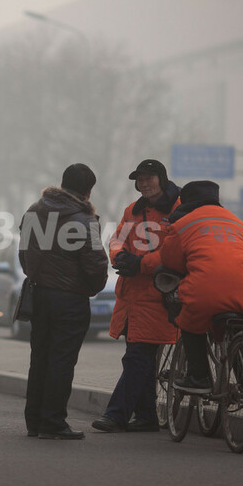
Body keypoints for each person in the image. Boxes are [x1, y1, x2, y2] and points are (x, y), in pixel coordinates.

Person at [157, 180, 243, 418]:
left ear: (186, 203)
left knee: (188, 320)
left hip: (205, 290)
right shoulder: (239, 223)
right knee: (240, 336)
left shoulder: (182, 224)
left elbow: (170, 261)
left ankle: (199, 377)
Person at [19, 163, 109, 440]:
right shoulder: (85, 220)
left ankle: (35, 421)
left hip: (39, 295)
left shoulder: (34, 211)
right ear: (88, 191)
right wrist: (92, 288)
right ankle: (53, 423)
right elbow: (95, 264)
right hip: (70, 300)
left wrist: (36, 275)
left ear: (62, 183)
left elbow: (23, 253)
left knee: (40, 358)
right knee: (61, 361)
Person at [92, 159, 181, 433]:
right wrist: (119, 256)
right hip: (132, 296)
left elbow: (174, 252)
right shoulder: (133, 210)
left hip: (157, 296)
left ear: (161, 178)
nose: (143, 184)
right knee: (141, 358)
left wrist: (140, 264)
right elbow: (117, 239)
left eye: (148, 178)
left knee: (137, 357)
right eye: (139, 180)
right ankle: (146, 416)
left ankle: (116, 414)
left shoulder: (178, 209)